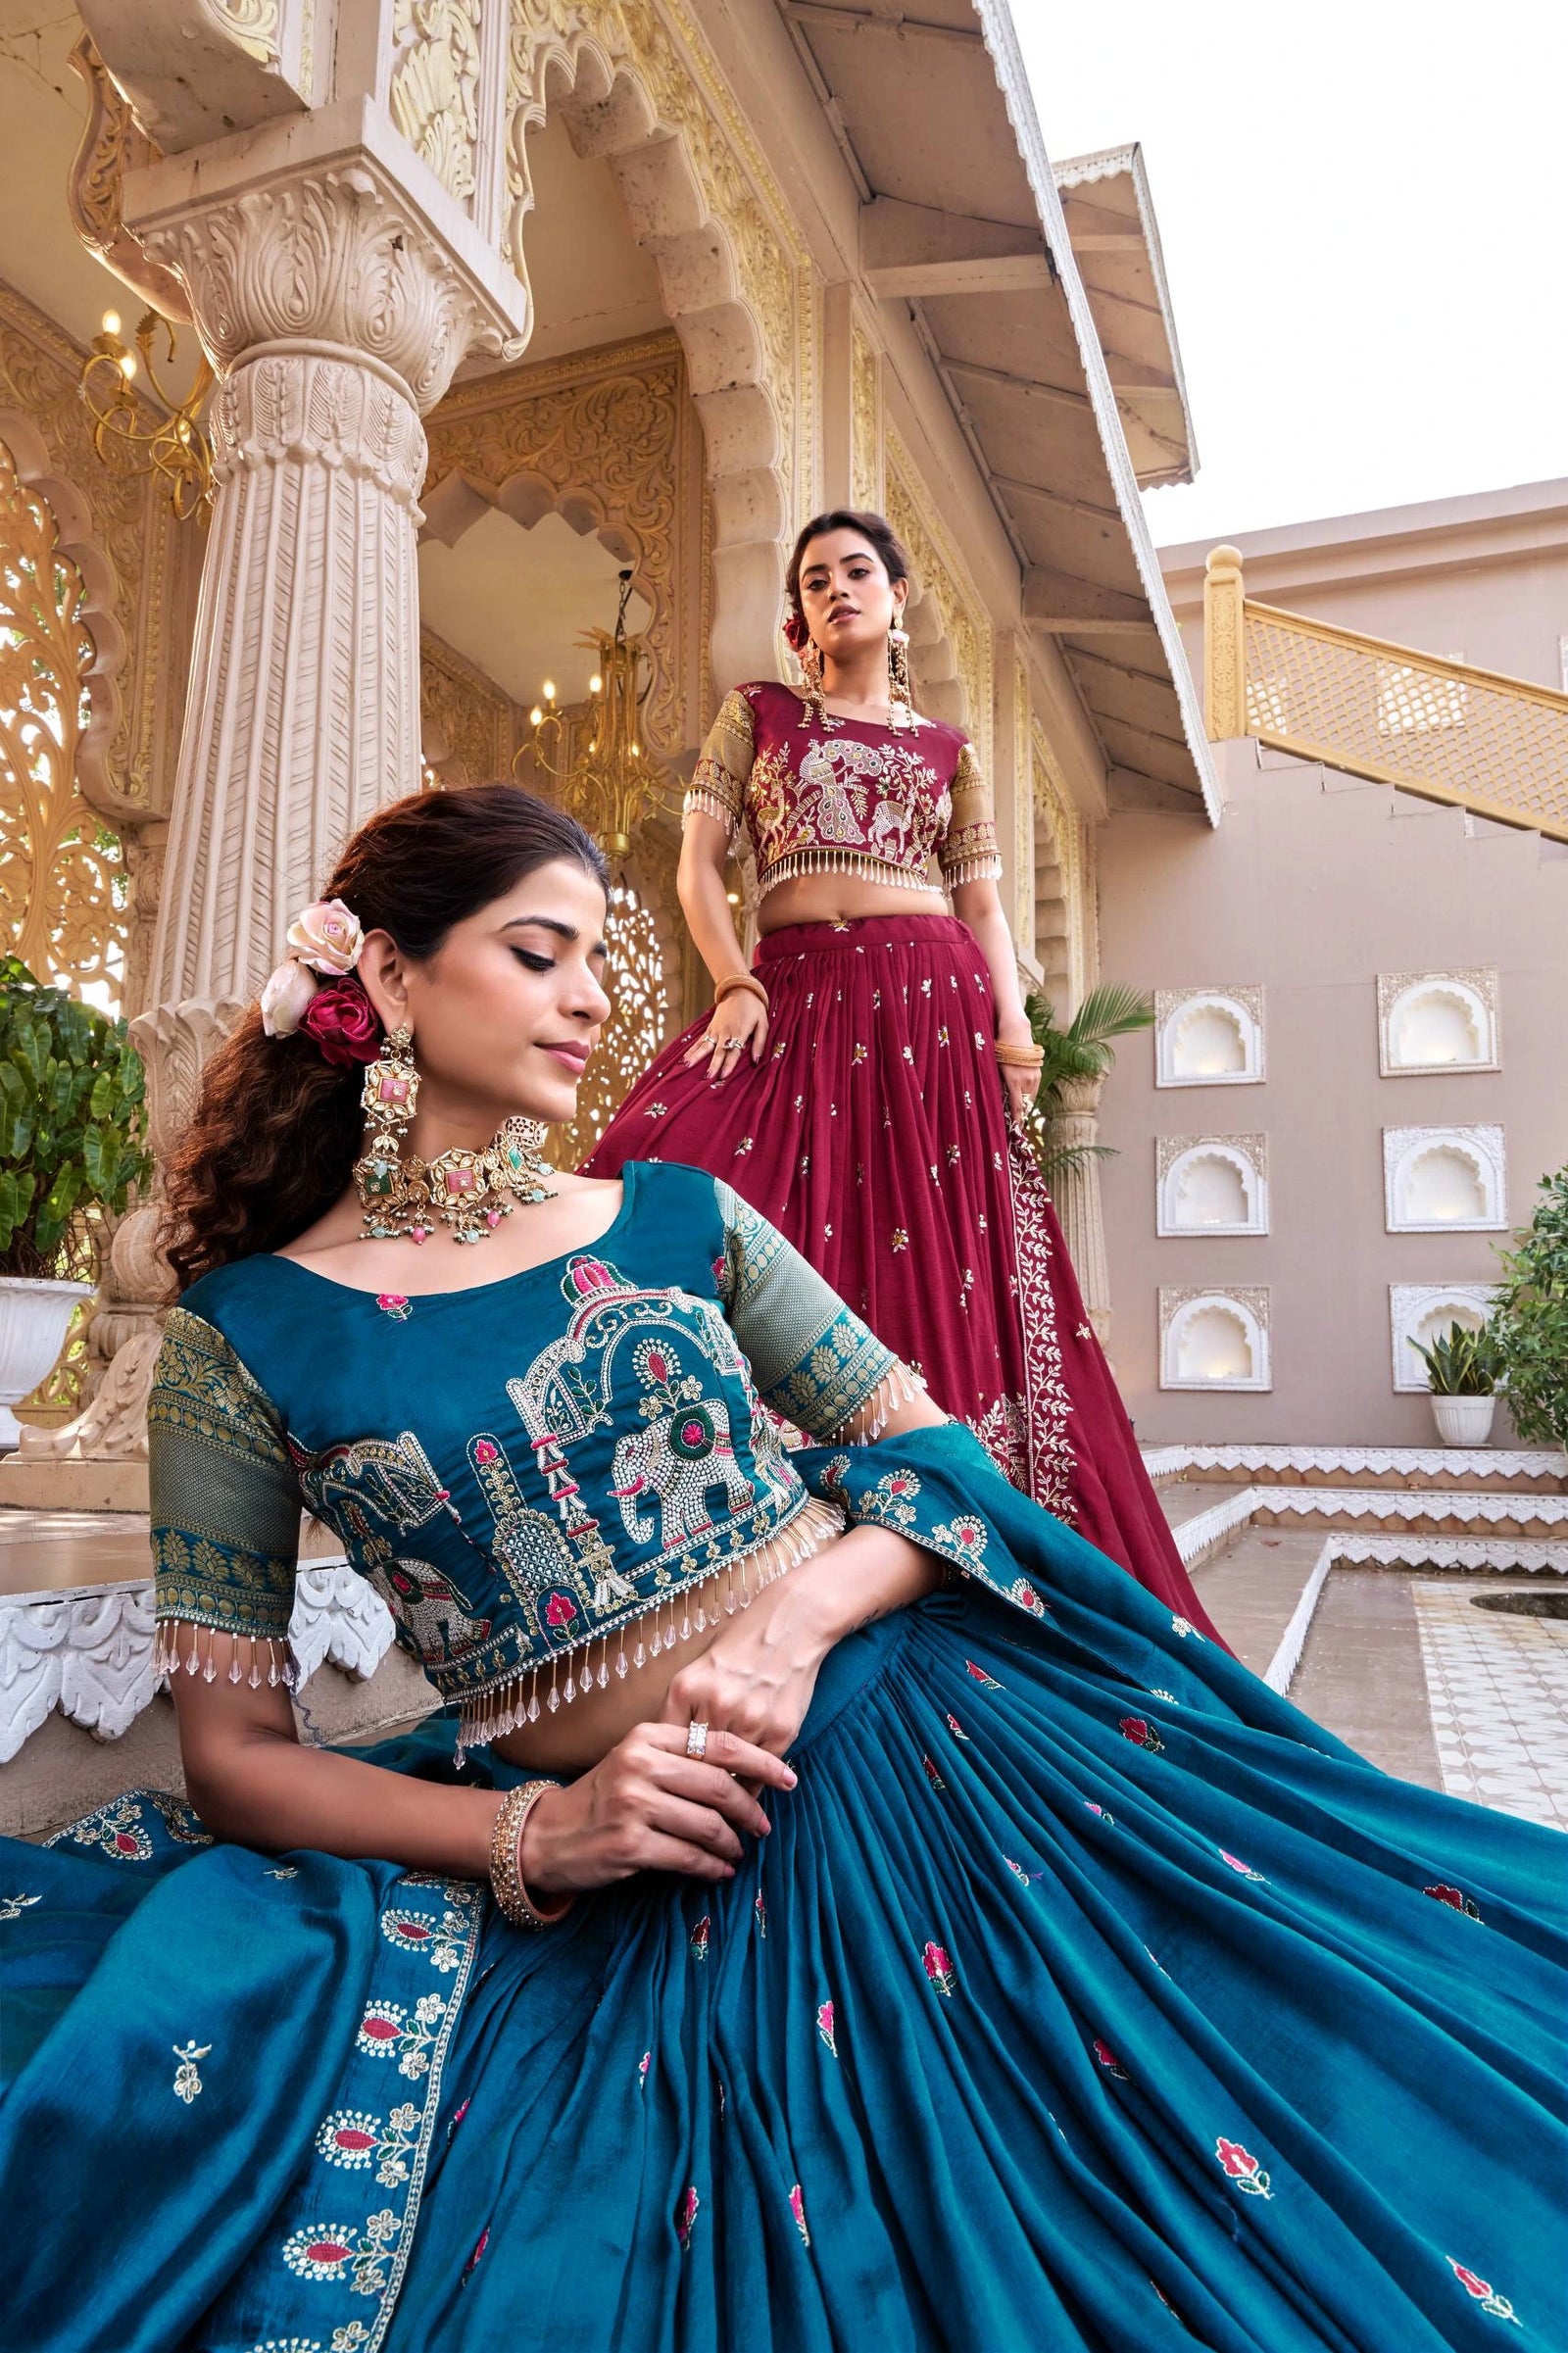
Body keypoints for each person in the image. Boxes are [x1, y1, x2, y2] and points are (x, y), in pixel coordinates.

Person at [3, 783, 1562, 2353]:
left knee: (1287, 2122)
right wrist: (532, 1834)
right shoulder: (244, 1338)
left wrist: (792, 1629)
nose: (597, 997)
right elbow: (237, 1759)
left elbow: (945, 1462)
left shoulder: (681, 1219)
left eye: (597, 955)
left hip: (939, 1743)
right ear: (391, 979)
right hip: (646, 1862)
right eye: (539, 953)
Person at [584, 510, 1209, 1635]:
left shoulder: (947, 750)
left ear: (898, 594)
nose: (837, 590)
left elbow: (981, 905)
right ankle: (746, 1505)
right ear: (797, 608)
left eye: (857, 571)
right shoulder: (758, 714)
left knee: (929, 1247)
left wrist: (1014, 1033)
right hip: (795, 993)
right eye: (815, 578)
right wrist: (732, 980)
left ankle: (945, 1525)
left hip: (928, 1005)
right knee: (647, 1162)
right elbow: (697, 865)